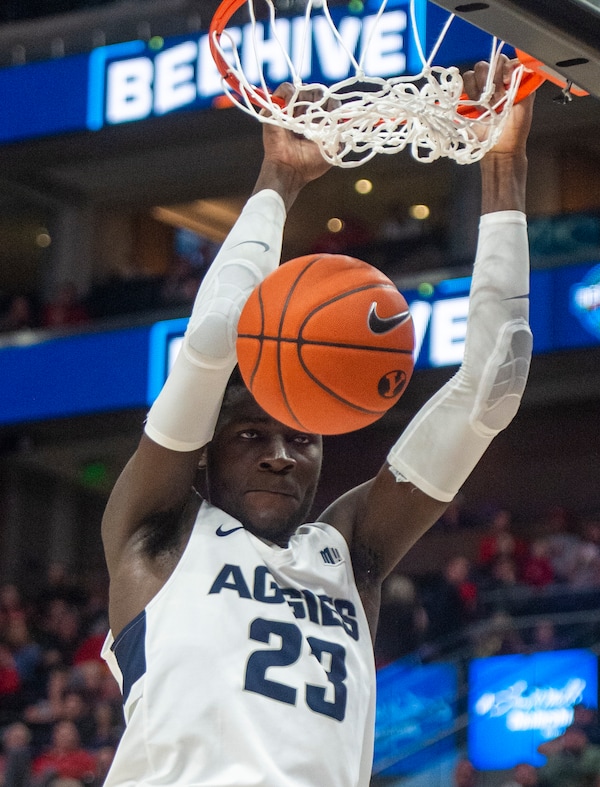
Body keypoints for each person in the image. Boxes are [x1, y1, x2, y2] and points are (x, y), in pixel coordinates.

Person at [99, 58, 535, 786]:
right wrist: (280, 180)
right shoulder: (159, 536)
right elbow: (210, 344)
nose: (280, 455)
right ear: (205, 455)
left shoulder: (347, 552)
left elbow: (494, 383)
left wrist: (504, 163)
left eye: (300, 438)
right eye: (250, 436)